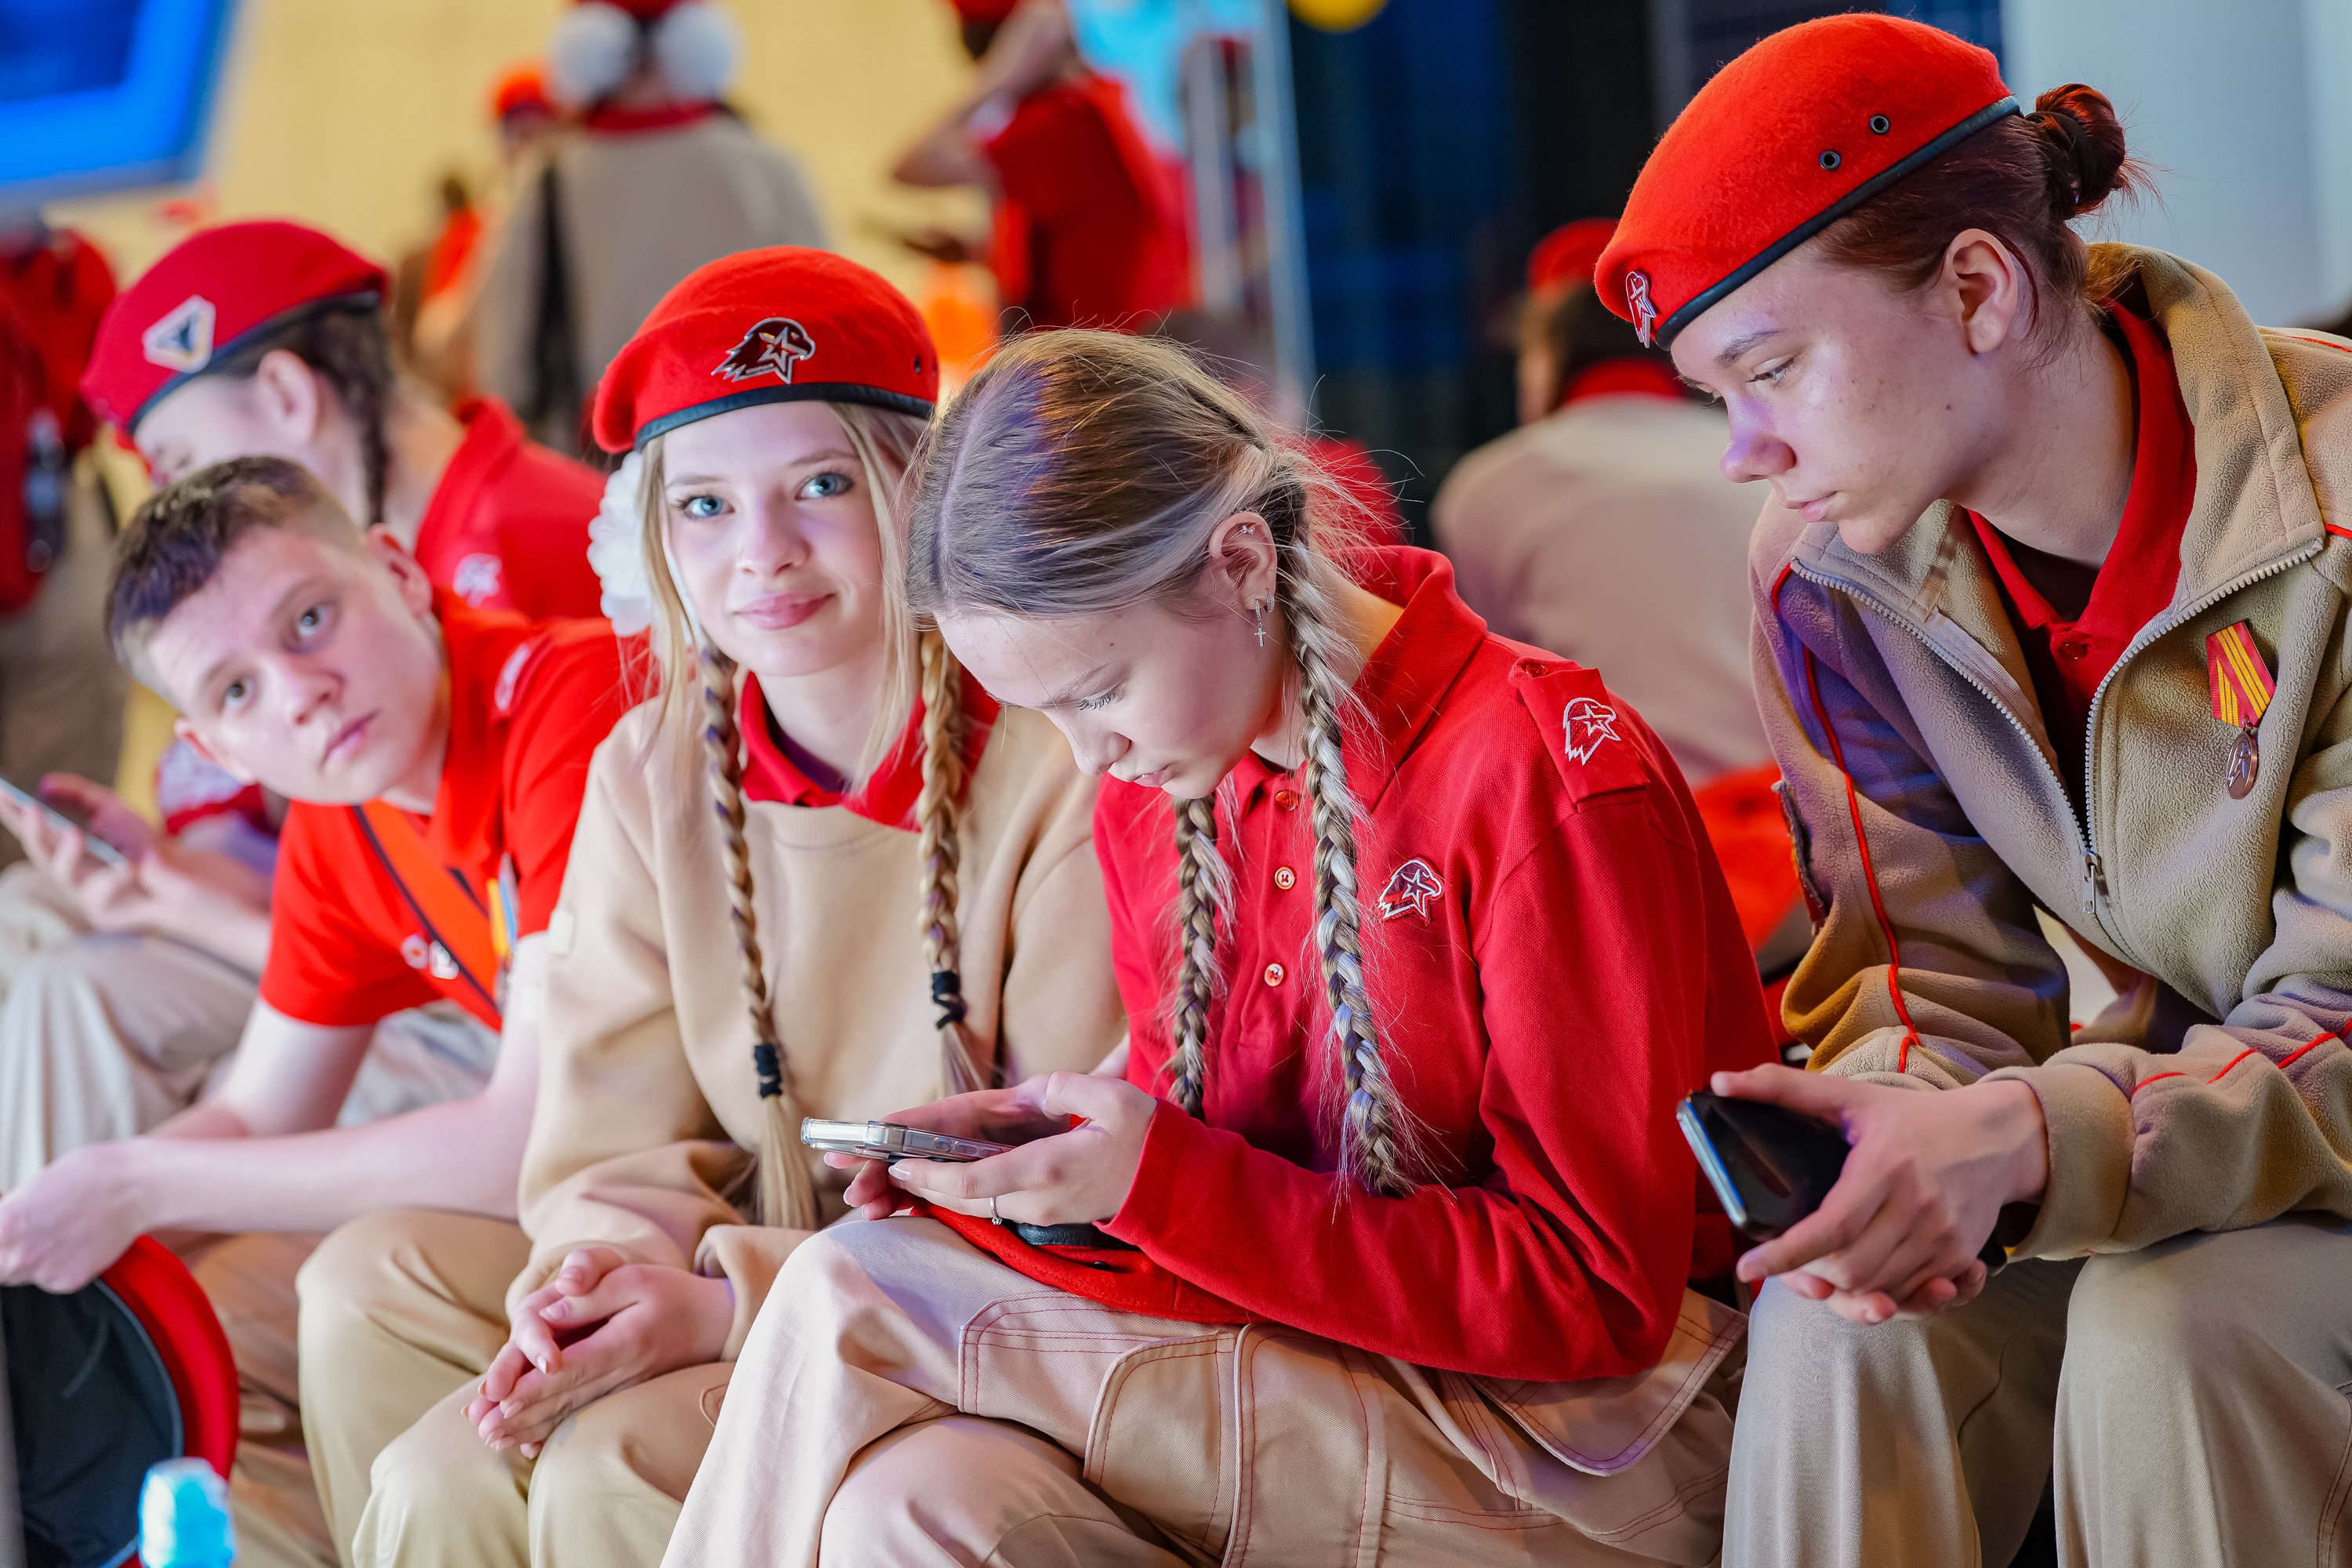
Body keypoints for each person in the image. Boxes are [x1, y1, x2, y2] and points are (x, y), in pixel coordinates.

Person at [661, 328, 1773, 1565]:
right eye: (1045, 714)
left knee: (849, 1289)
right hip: (1339, 1363)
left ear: (1241, 564)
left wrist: (1156, 1182)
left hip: (1608, 1432)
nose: (1090, 756)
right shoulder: (1160, 792)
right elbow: (1238, 1207)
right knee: (915, 1507)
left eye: (1097, 691)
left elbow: (1597, 1296)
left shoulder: (1539, 771)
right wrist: (1035, 1185)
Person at [1592, 14, 2352, 1566]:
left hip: (2298, 1141)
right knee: (1840, 1319)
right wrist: (1894, 1136)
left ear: (1978, 290)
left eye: (1772, 371)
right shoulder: (1828, 577)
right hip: (2188, 1126)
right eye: (1716, 397)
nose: (1744, 453)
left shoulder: (2333, 518)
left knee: (2170, 1331)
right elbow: (1928, 975)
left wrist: (2025, 1139)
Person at [294, 248, 1127, 1568]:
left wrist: (717, 1301)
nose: (764, 554)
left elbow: (1049, 1190)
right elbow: (606, 1139)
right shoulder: (651, 770)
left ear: (916, 493)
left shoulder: (1055, 753)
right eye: (705, 507)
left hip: (960, 1308)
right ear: (657, 541)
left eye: (821, 486)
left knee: (604, 1465)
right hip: (741, 1259)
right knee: (409, 1408)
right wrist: (596, 1273)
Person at [0, 457, 630, 1566]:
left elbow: (523, 1142)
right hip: (583, 1190)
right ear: (212, 748)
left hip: (686, 1189)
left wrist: (137, 1181)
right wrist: (38, 1224)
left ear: (399, 571)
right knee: (177, 1333)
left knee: (335, 1285)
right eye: (236, 691)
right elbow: (261, 1108)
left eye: (309, 619)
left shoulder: (567, 702)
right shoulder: (344, 815)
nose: (300, 691)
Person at [0, 220, 609, 1195]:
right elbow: (355, 893)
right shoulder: (366, 562)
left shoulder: (536, 557)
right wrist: (170, 878)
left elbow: (486, 976)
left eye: (179, 462)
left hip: (526, 1032)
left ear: (288, 394)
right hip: (422, 973)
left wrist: (142, 1184)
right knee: (29, 912)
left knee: (81, 993)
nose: (188, 506)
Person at [1437, 218, 1772, 790]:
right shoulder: (1765, 458)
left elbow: (1498, 691)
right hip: (1783, 812)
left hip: (1608, 813)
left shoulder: (1486, 488)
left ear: (1546, 359)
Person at [475, 0, 829, 454]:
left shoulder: (548, 182)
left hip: (598, 459)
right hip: (754, 451)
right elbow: (822, 330)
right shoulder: (771, 172)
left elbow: (507, 367)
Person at [895, 0, 1187, 333]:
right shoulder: (1101, 105)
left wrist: (998, 80)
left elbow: (912, 166)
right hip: (1113, 343)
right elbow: (1090, 246)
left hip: (1089, 353)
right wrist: (982, 252)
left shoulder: (1065, 122)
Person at [0, 222, 129, 866]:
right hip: (46, 520)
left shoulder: (74, 270)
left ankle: (43, 896)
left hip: (49, 533)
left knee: (58, 786)